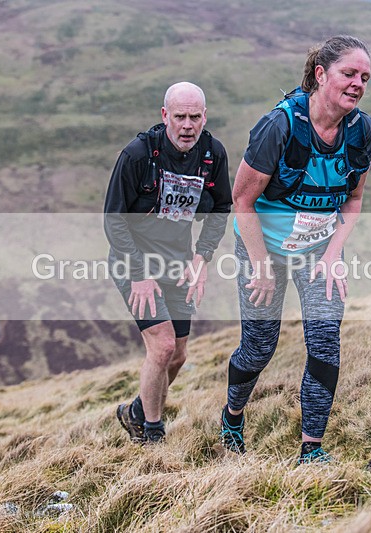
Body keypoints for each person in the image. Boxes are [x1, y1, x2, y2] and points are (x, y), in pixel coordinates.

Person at [220, 36, 371, 463]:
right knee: (259, 346)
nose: (358, 83)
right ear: (321, 74)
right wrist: (260, 265)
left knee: (325, 342)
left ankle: (312, 449)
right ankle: (233, 416)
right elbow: (242, 201)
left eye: (364, 77)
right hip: (262, 247)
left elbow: (354, 199)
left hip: (318, 250)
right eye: (349, 73)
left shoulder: (361, 130)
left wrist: (333, 255)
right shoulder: (279, 126)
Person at [105, 82, 232, 443]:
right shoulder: (137, 155)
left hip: (177, 262)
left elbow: (222, 207)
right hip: (134, 263)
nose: (188, 125)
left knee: (176, 356)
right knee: (160, 346)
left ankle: (135, 413)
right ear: (165, 116)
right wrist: (139, 275)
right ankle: (153, 435)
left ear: (204, 116)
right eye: (180, 117)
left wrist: (202, 256)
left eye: (195, 117)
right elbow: (114, 219)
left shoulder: (212, 153)